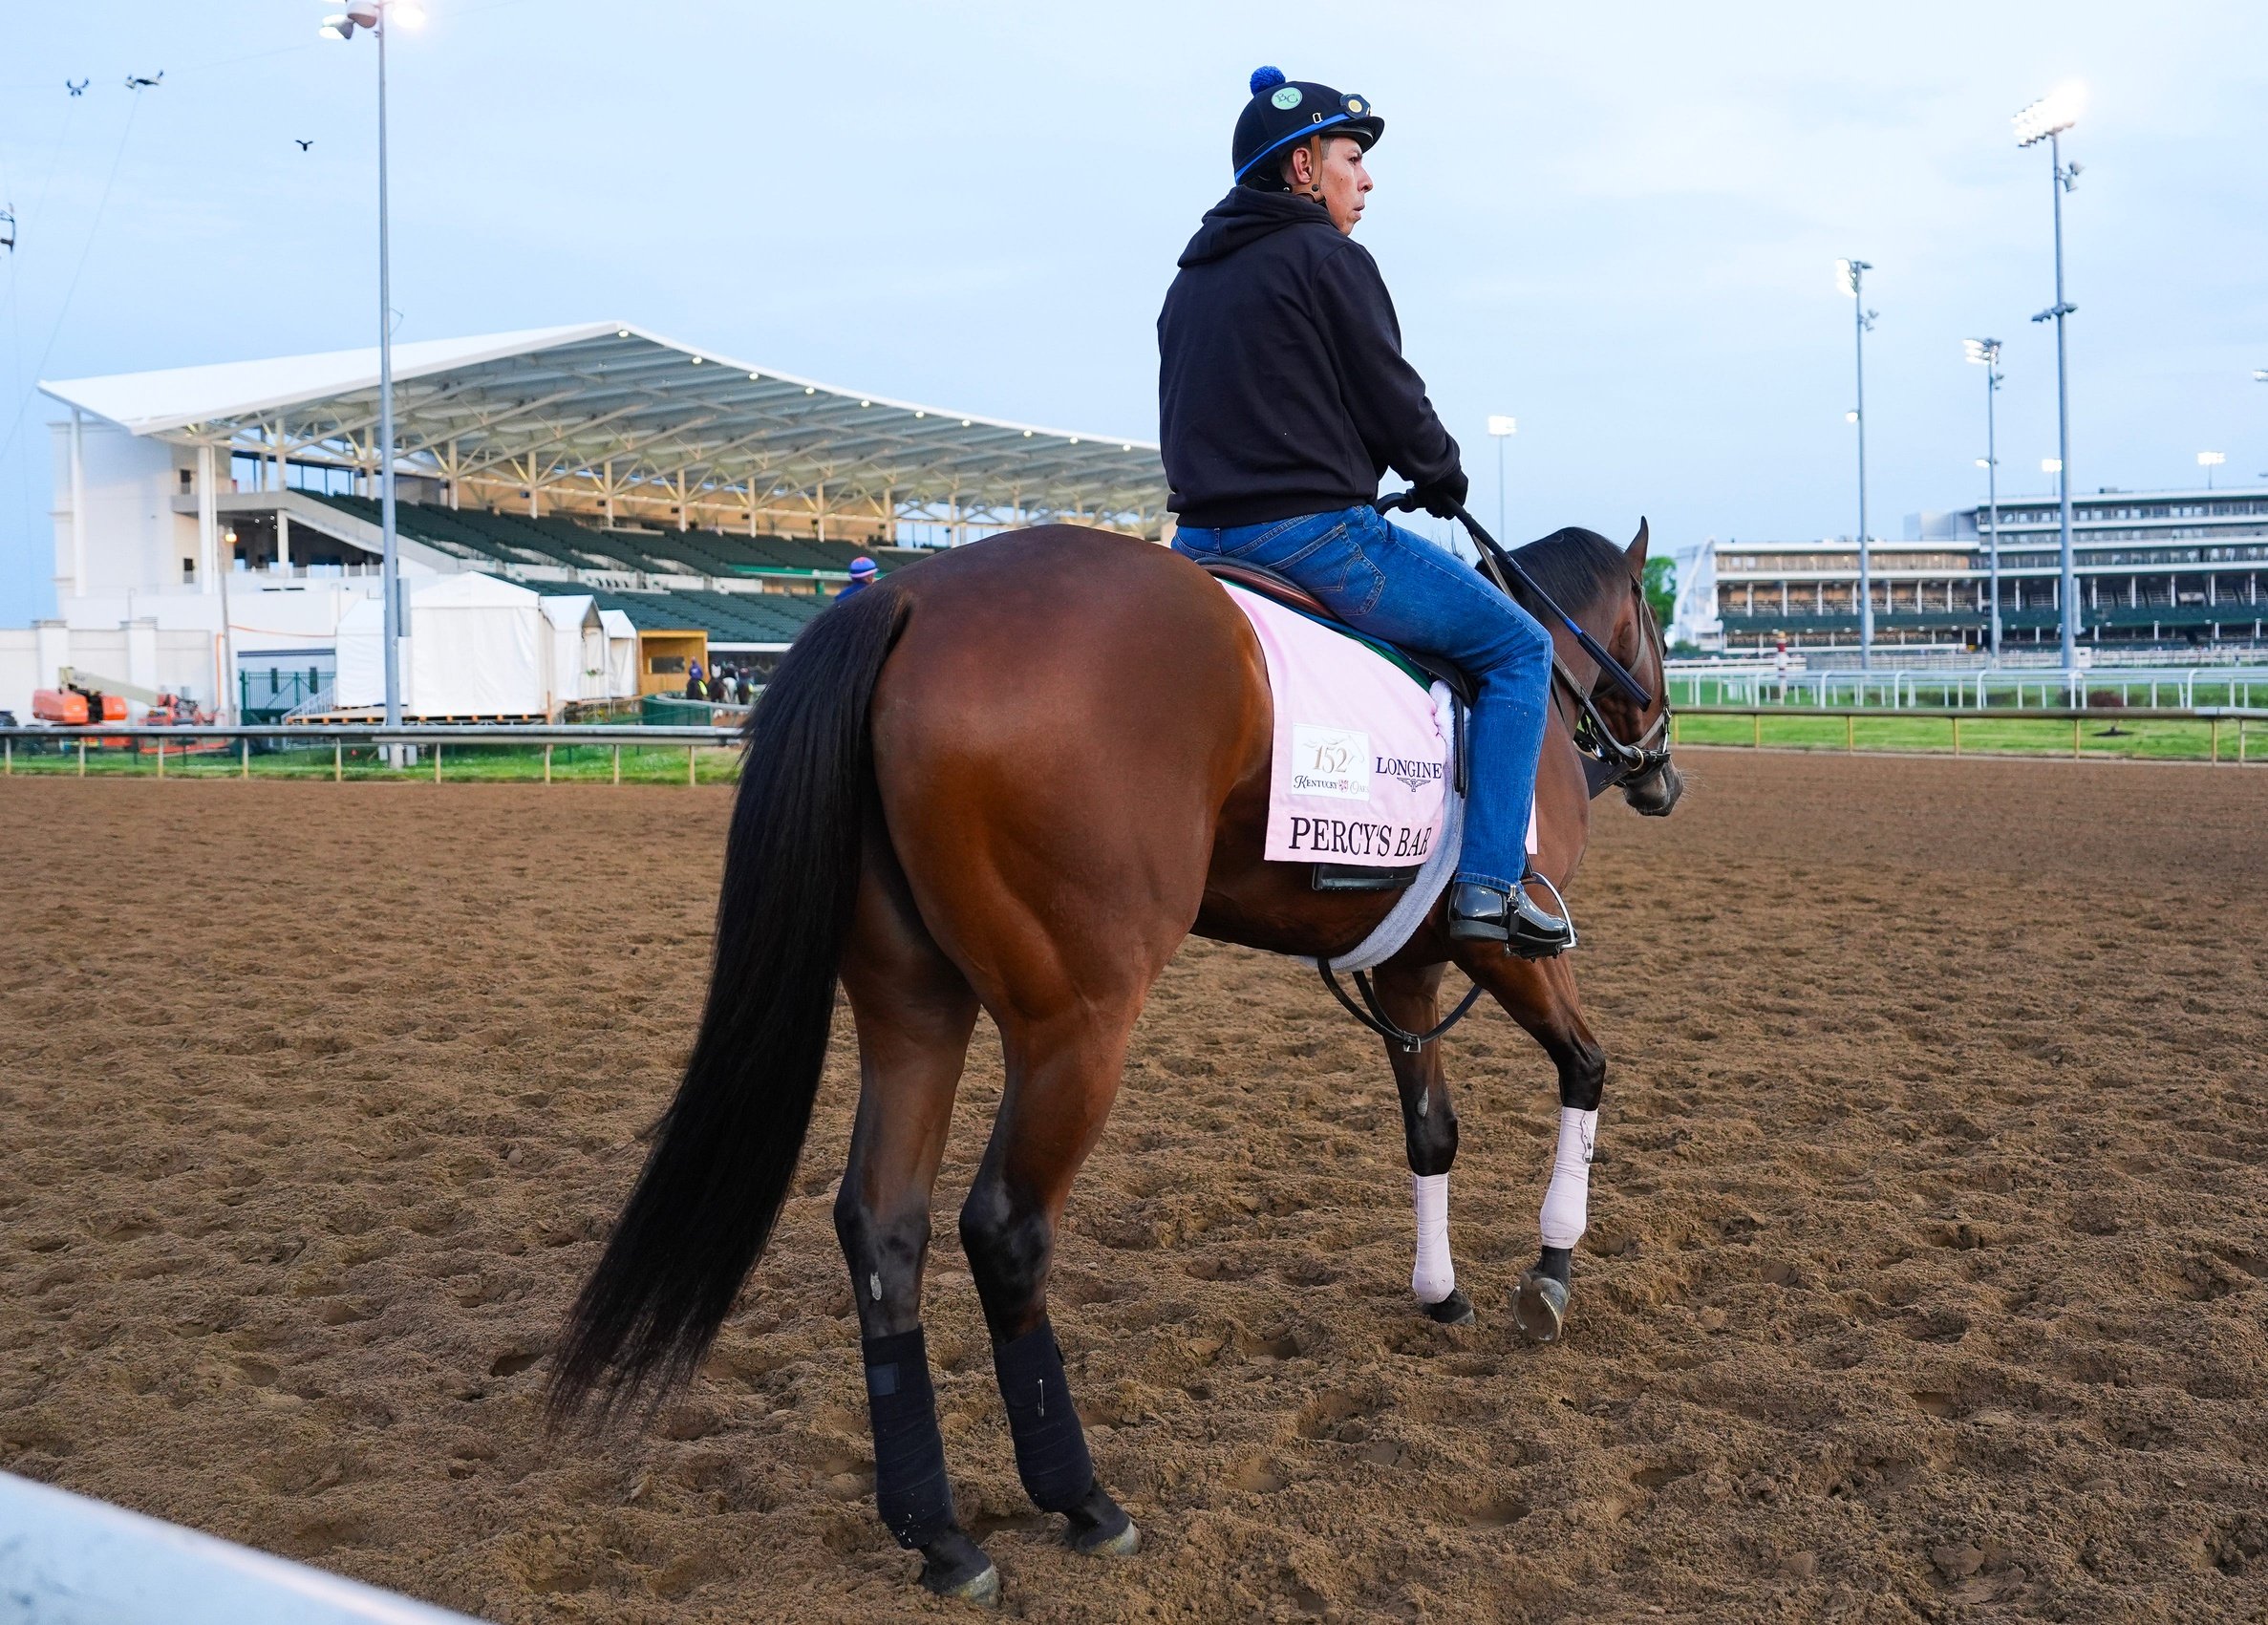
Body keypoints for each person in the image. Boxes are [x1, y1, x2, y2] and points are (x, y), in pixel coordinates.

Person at [1157, 67, 1569, 955]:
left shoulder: (1186, 283)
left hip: (1195, 550)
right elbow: (1392, 397)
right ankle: (1492, 885)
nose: (1368, 179)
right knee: (1520, 648)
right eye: (1352, 158)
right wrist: (1442, 471)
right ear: (1303, 166)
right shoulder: (1330, 259)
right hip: (1314, 541)